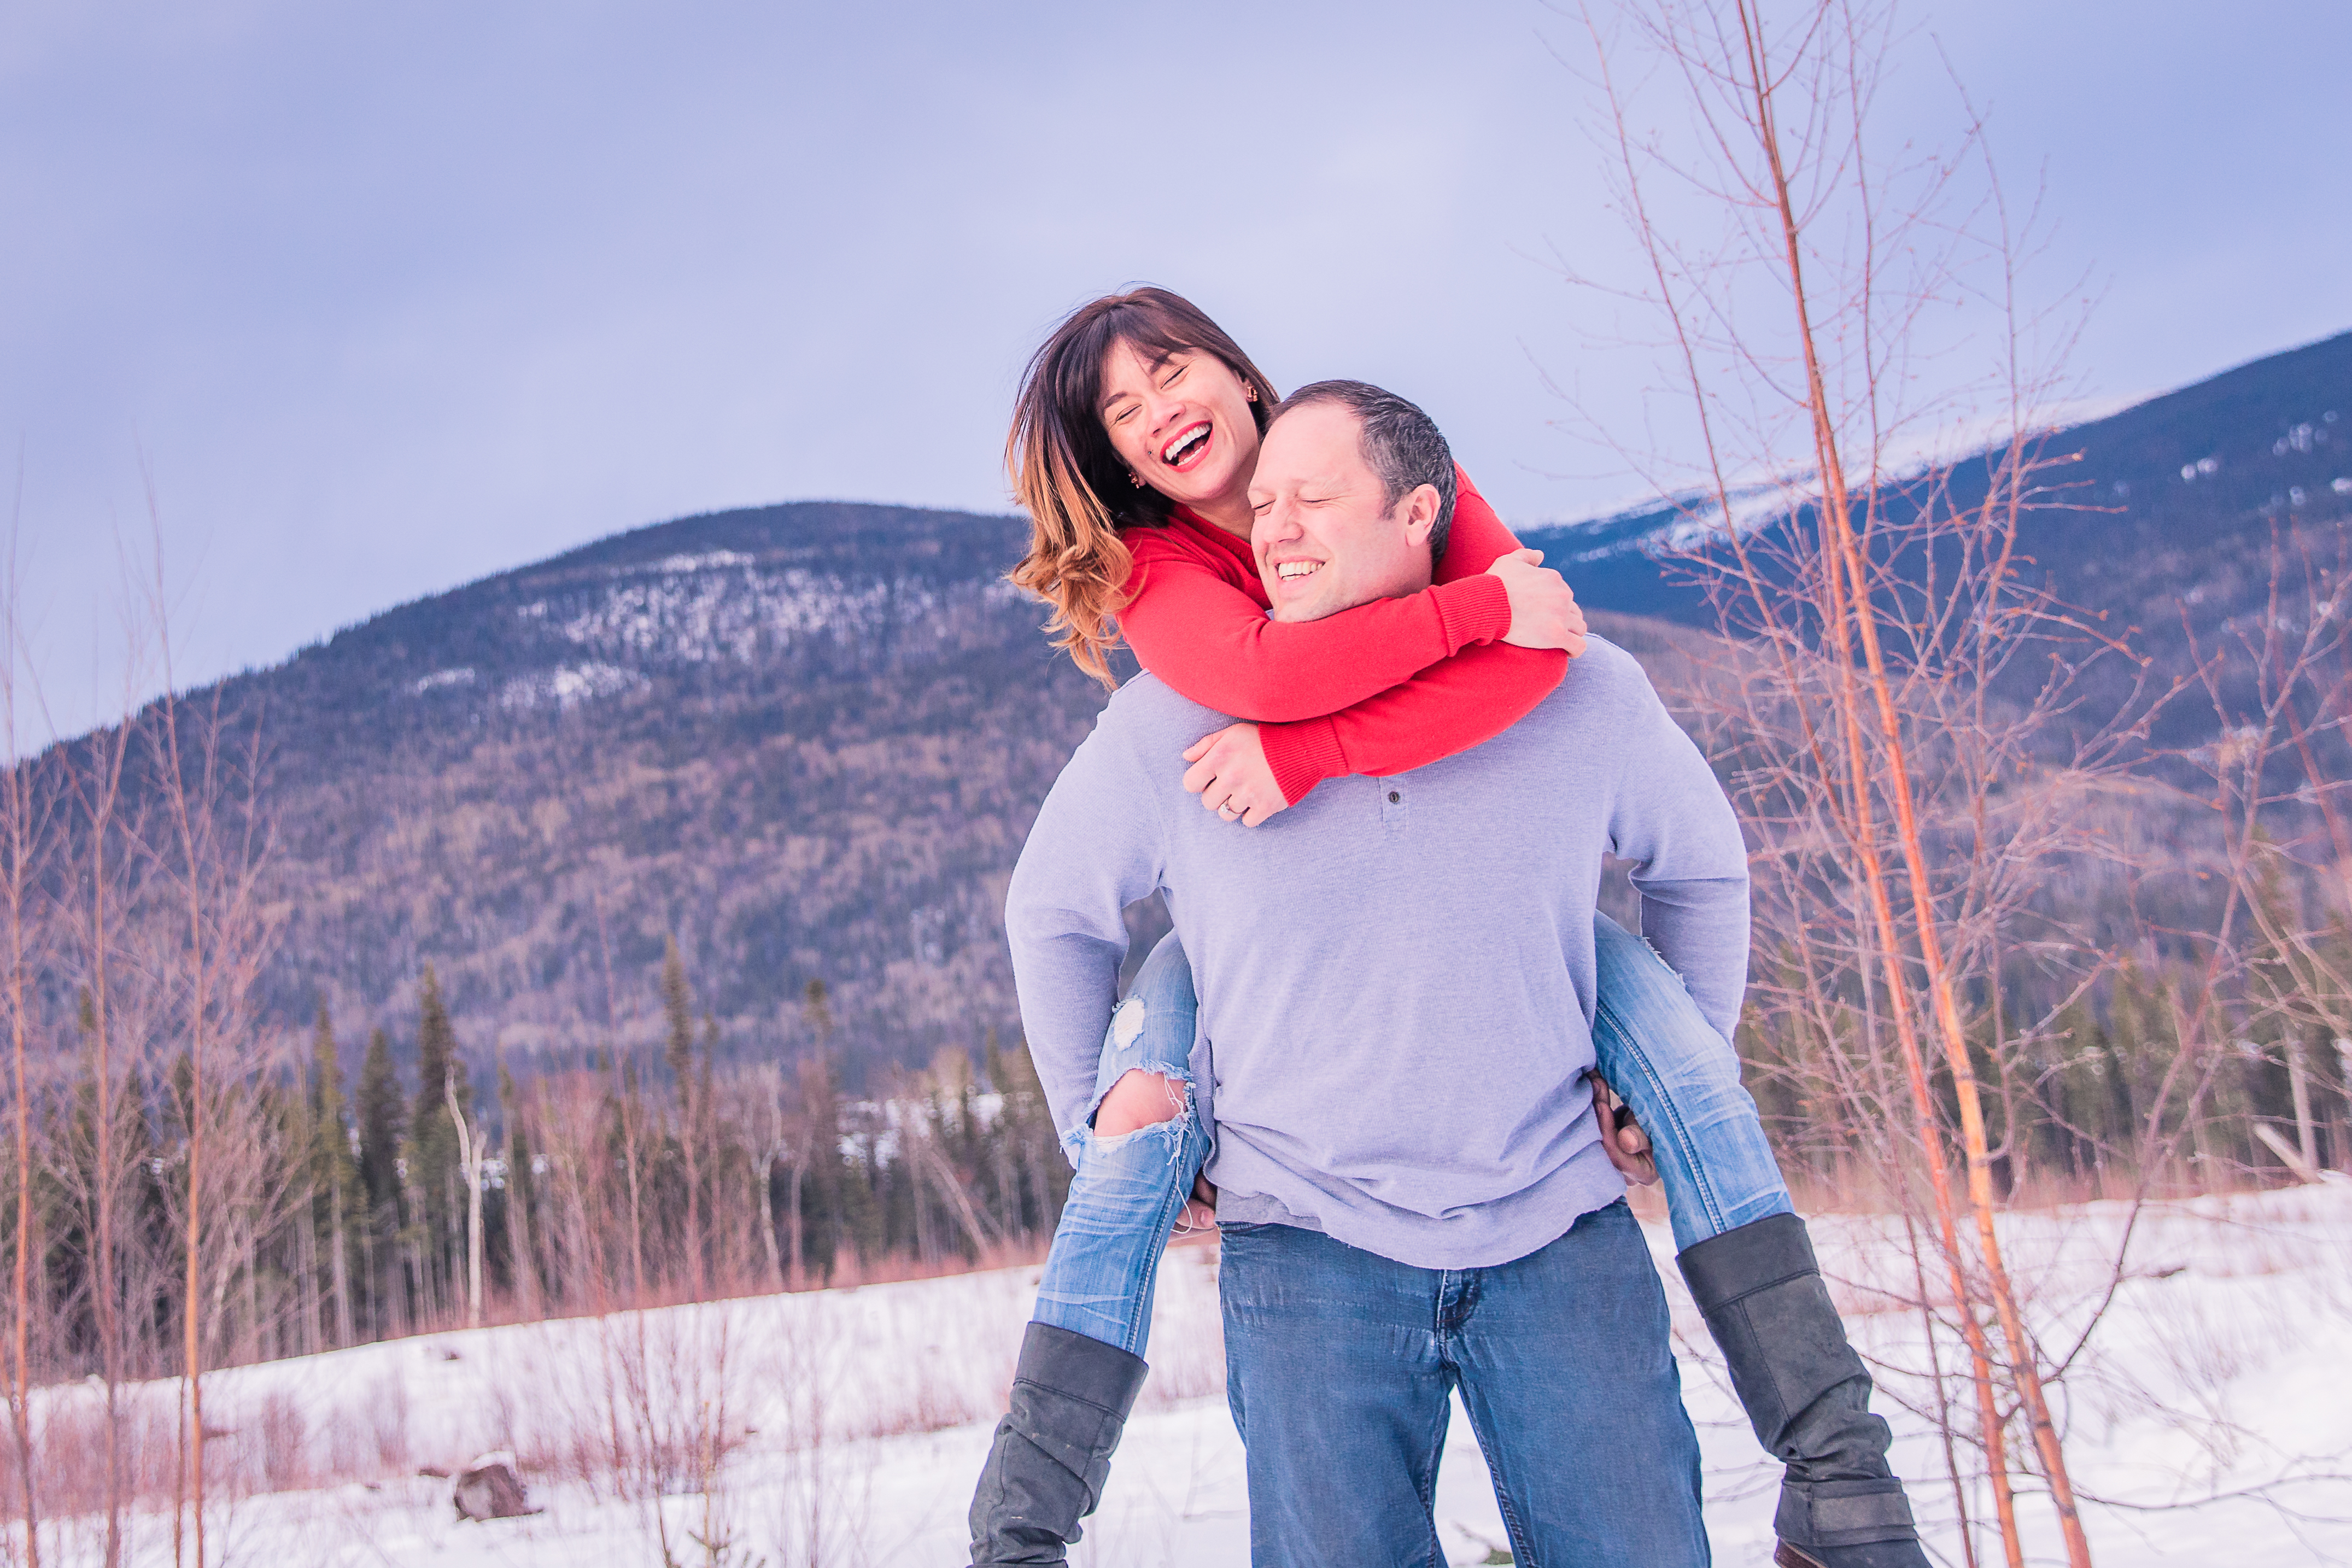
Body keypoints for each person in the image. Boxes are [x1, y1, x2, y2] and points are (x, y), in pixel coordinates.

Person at [967, 291, 1925, 1568]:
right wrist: (1099, 1115)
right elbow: (1054, 909)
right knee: (1167, 1006)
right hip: (1308, 1248)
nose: (1279, 530)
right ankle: (1018, 1530)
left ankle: (1843, 1479)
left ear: (1415, 509)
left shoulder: (1571, 679)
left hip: (1559, 1231)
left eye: (1172, 378)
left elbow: (1699, 865)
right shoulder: (1180, 710)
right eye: (1125, 417)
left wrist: (1668, 1072)